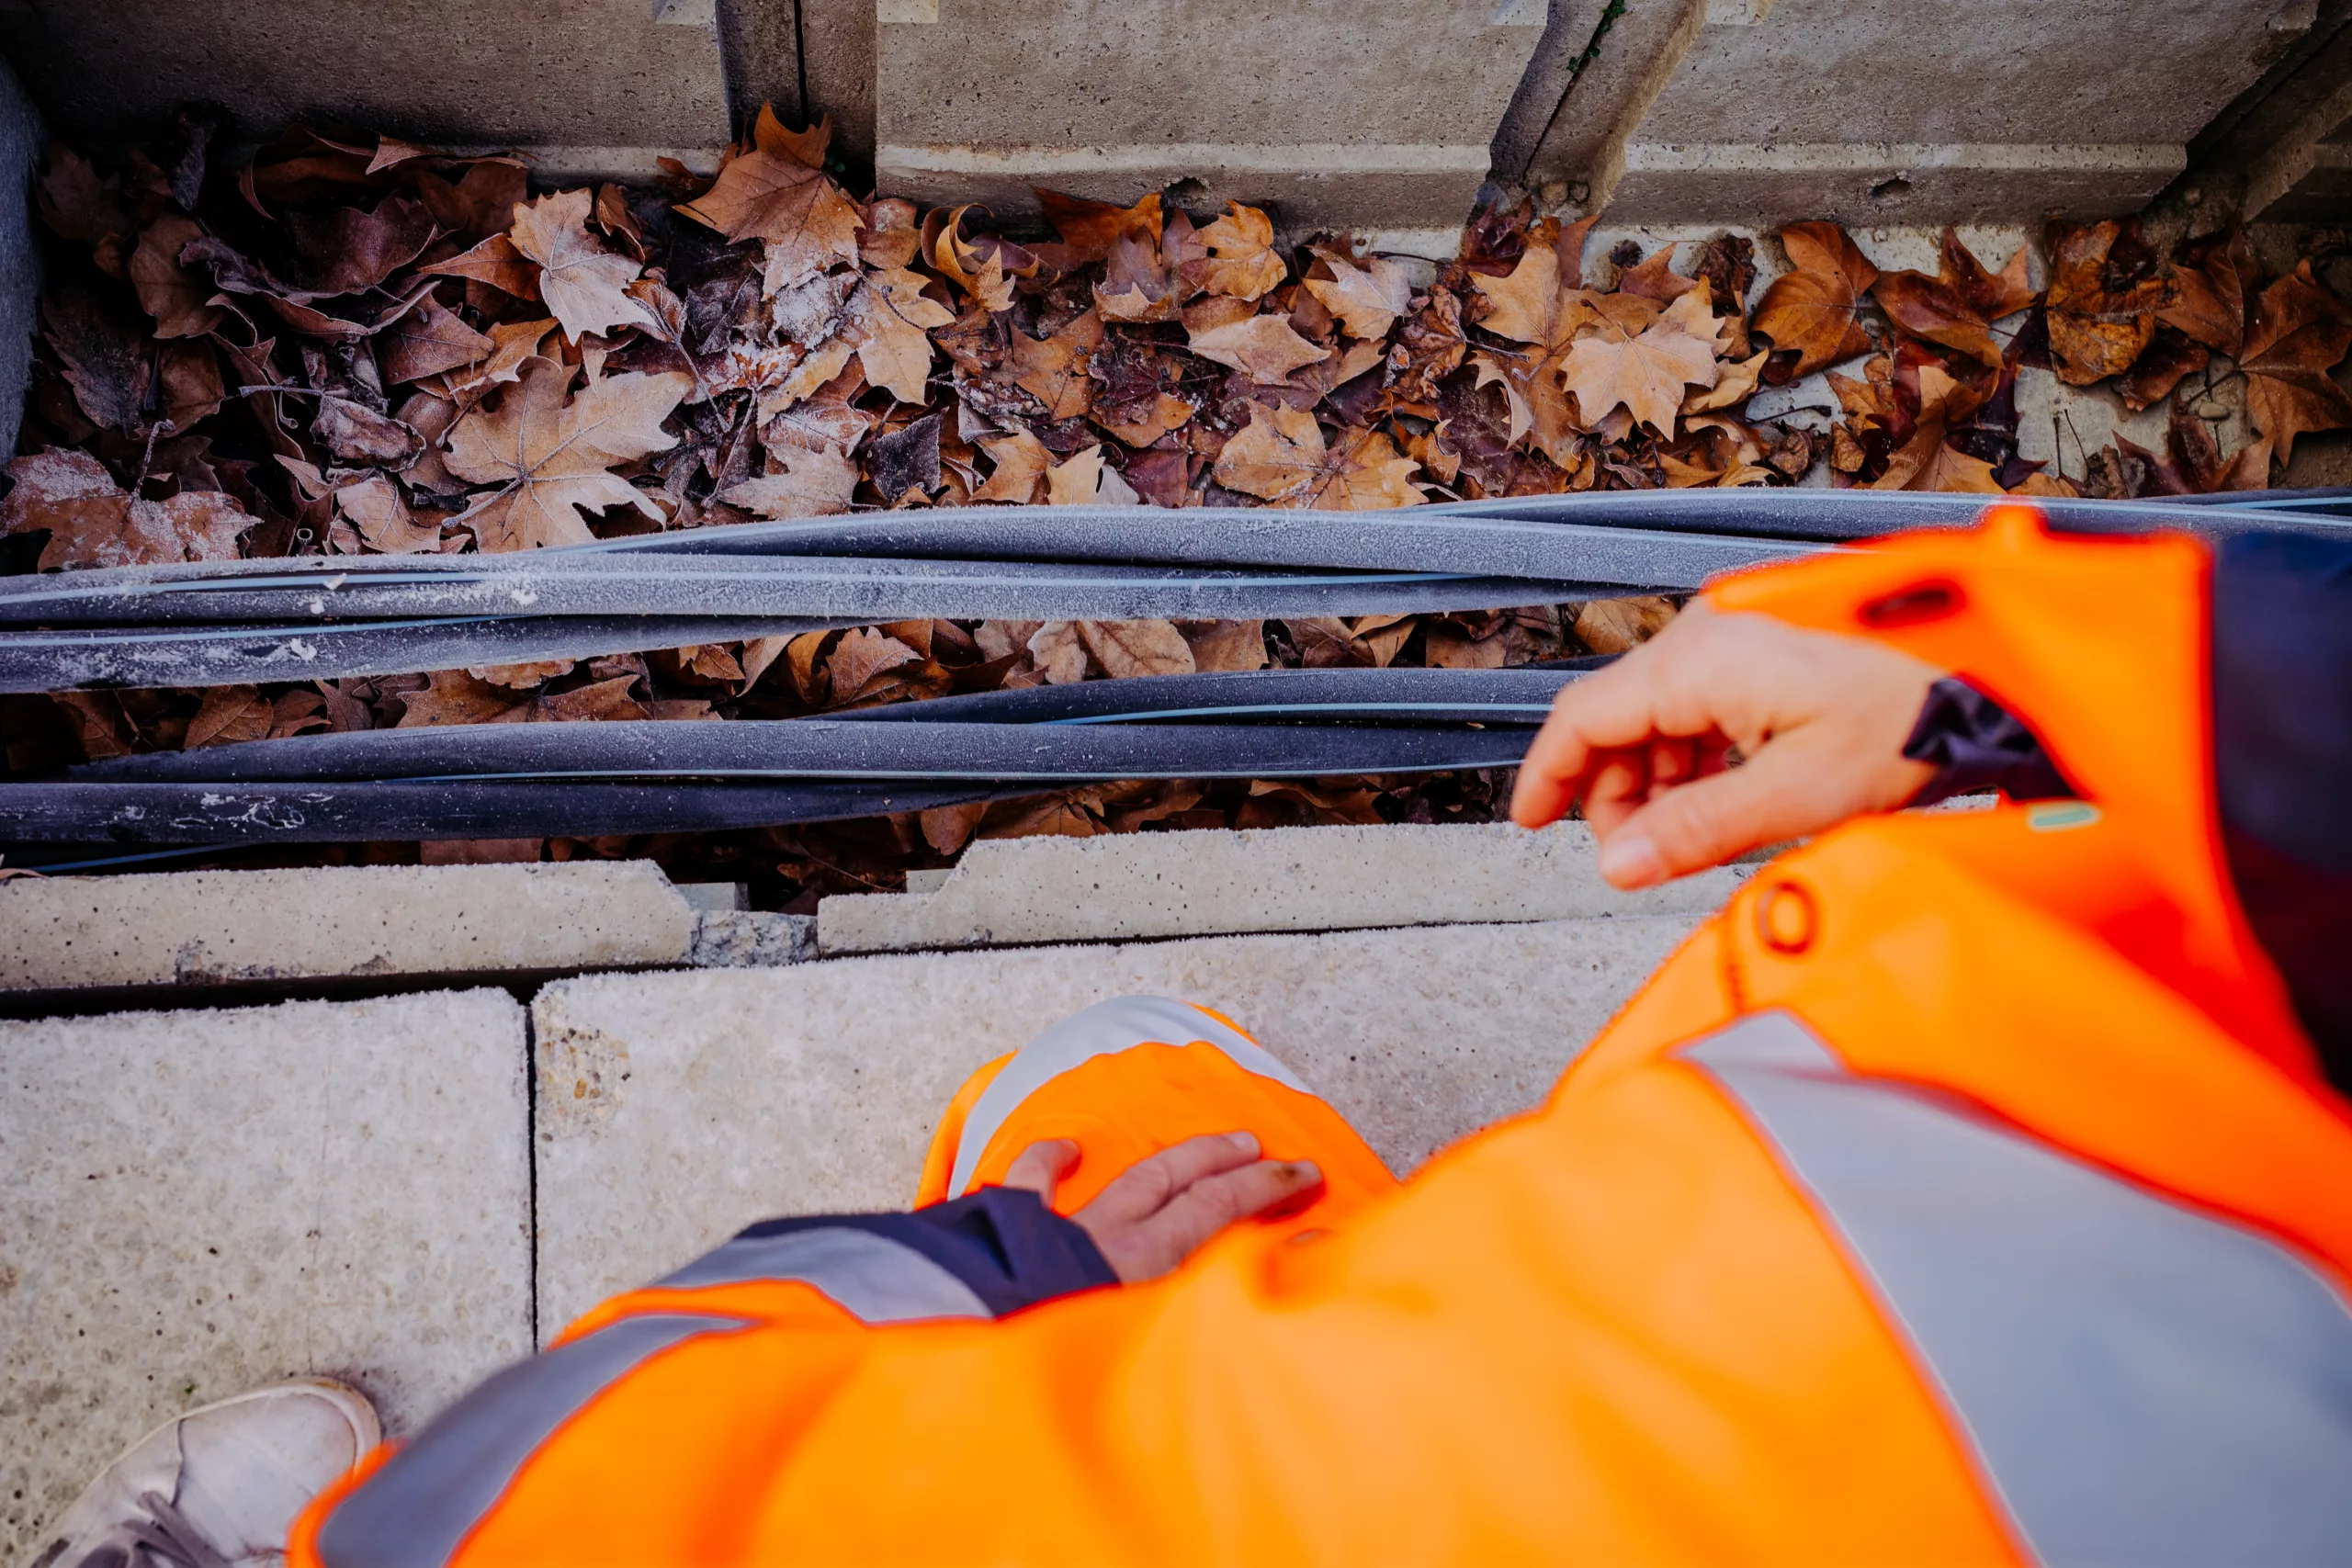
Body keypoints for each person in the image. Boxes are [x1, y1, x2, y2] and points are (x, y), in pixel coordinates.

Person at [41, 504, 2352, 1565]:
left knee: (1107, 1131)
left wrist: (995, 1279)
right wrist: (2031, 692)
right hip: (2043, 1057)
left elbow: (554, 1513)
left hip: (1827, 1300)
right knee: (1166, 1100)